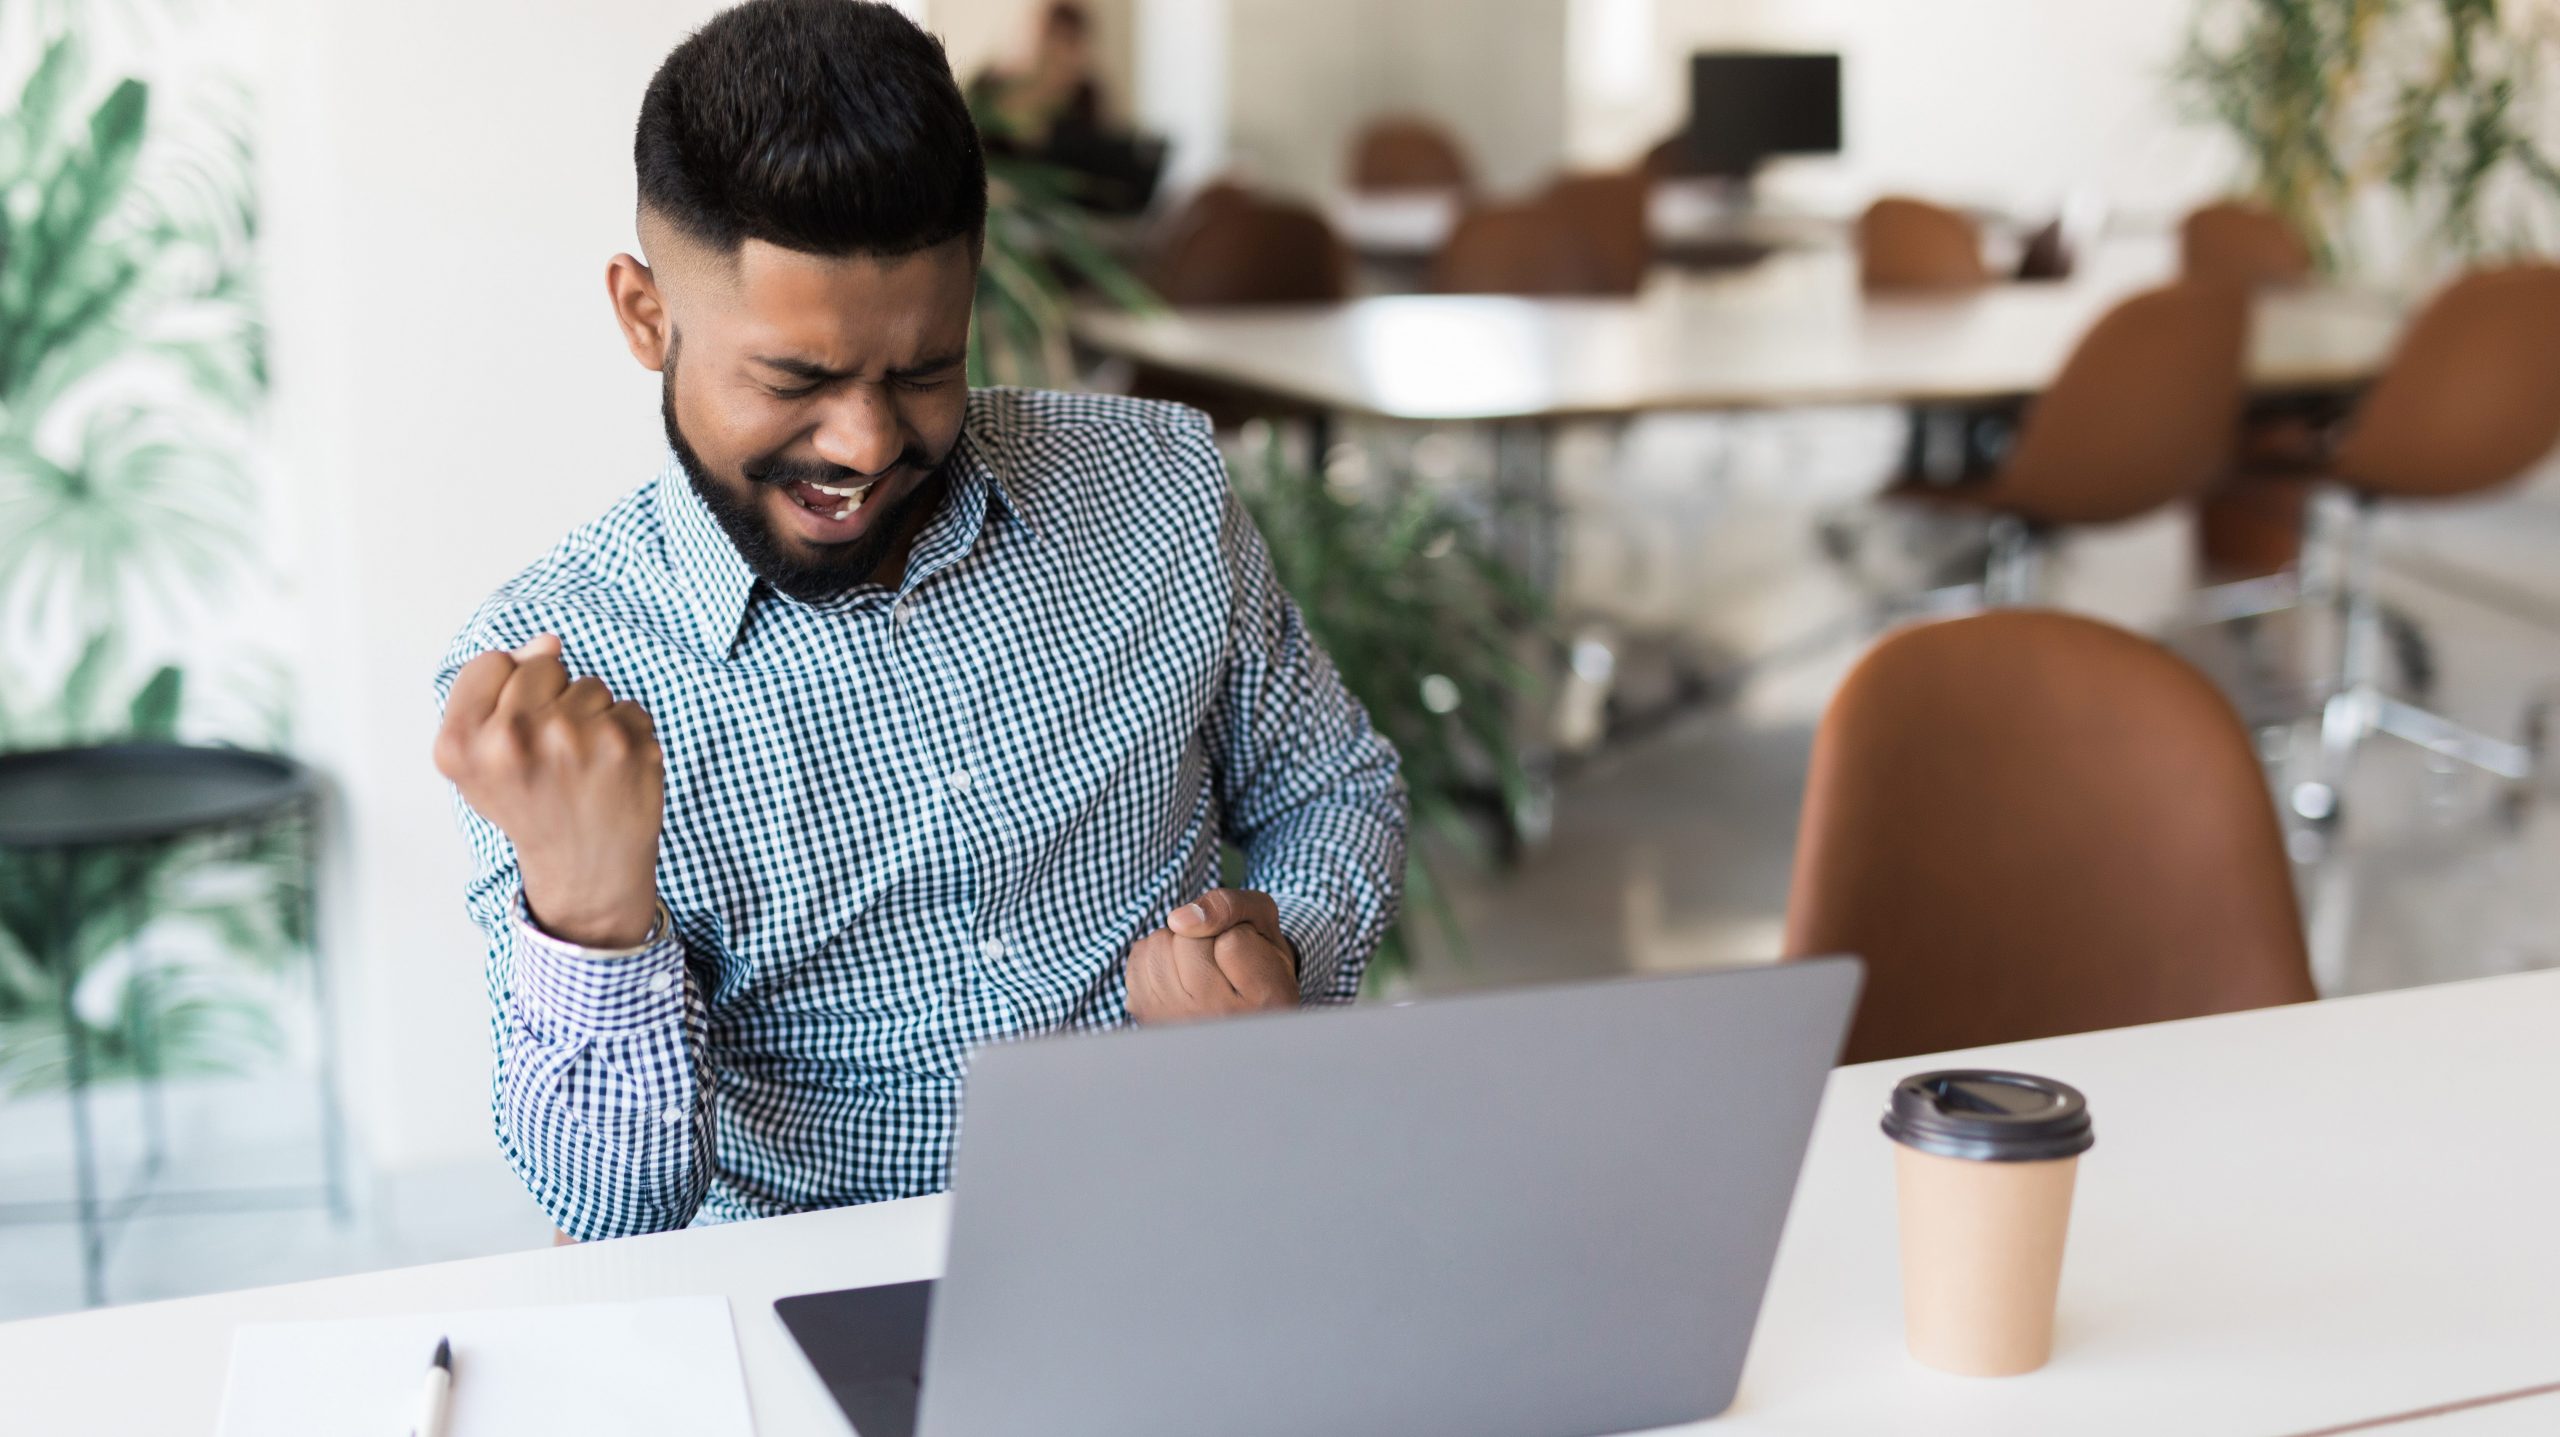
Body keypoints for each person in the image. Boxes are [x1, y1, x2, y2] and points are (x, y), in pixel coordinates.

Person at [429, 0, 1405, 1242]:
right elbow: (613, 1212)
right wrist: (588, 908)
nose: (865, 443)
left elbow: (1335, 789)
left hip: (1179, 1214)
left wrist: (1276, 977)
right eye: (795, 379)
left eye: (920, 369)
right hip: (812, 1293)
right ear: (645, 316)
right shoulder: (551, 689)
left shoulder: (1157, 489)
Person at [967, 1, 1103, 154]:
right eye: (1053, 36)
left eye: (1068, 40)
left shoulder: (1084, 99)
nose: (1057, 50)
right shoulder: (989, 82)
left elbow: (1084, 151)